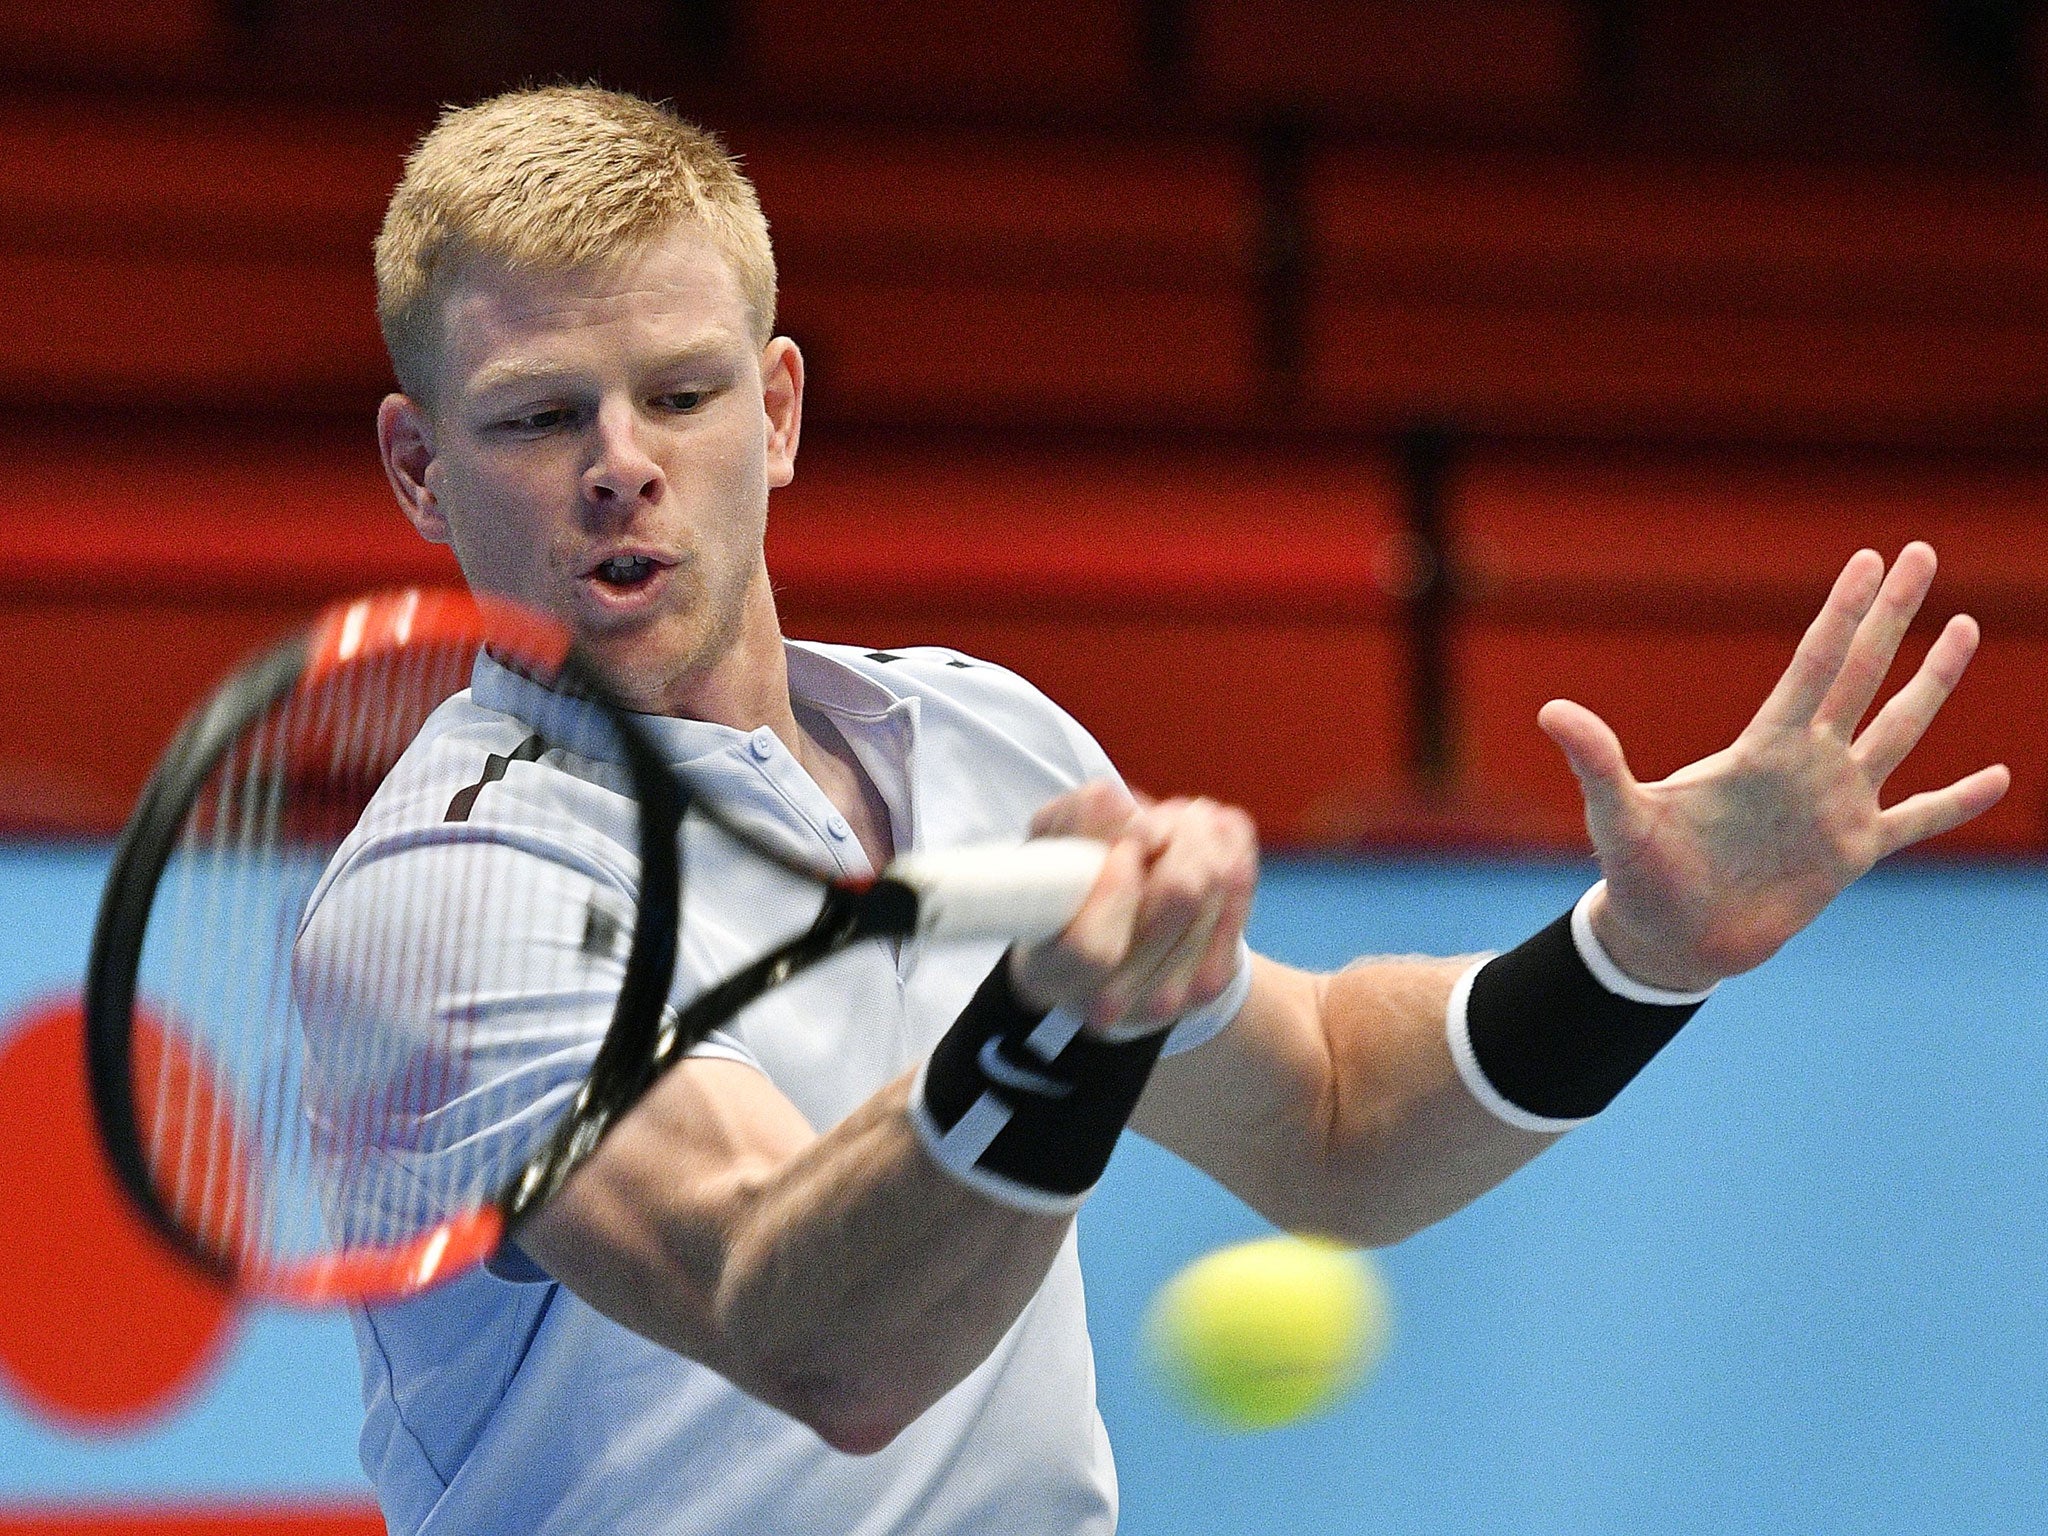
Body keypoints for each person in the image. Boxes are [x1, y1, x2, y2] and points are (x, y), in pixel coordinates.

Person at [336, 84, 2009, 1535]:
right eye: (543, 417)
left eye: (680, 396)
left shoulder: (985, 742)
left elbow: (1338, 1117)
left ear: (774, 413)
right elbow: (808, 1332)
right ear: (421, 465)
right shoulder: (460, 886)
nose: (621, 461)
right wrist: (1060, 1027)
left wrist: (1637, 954)